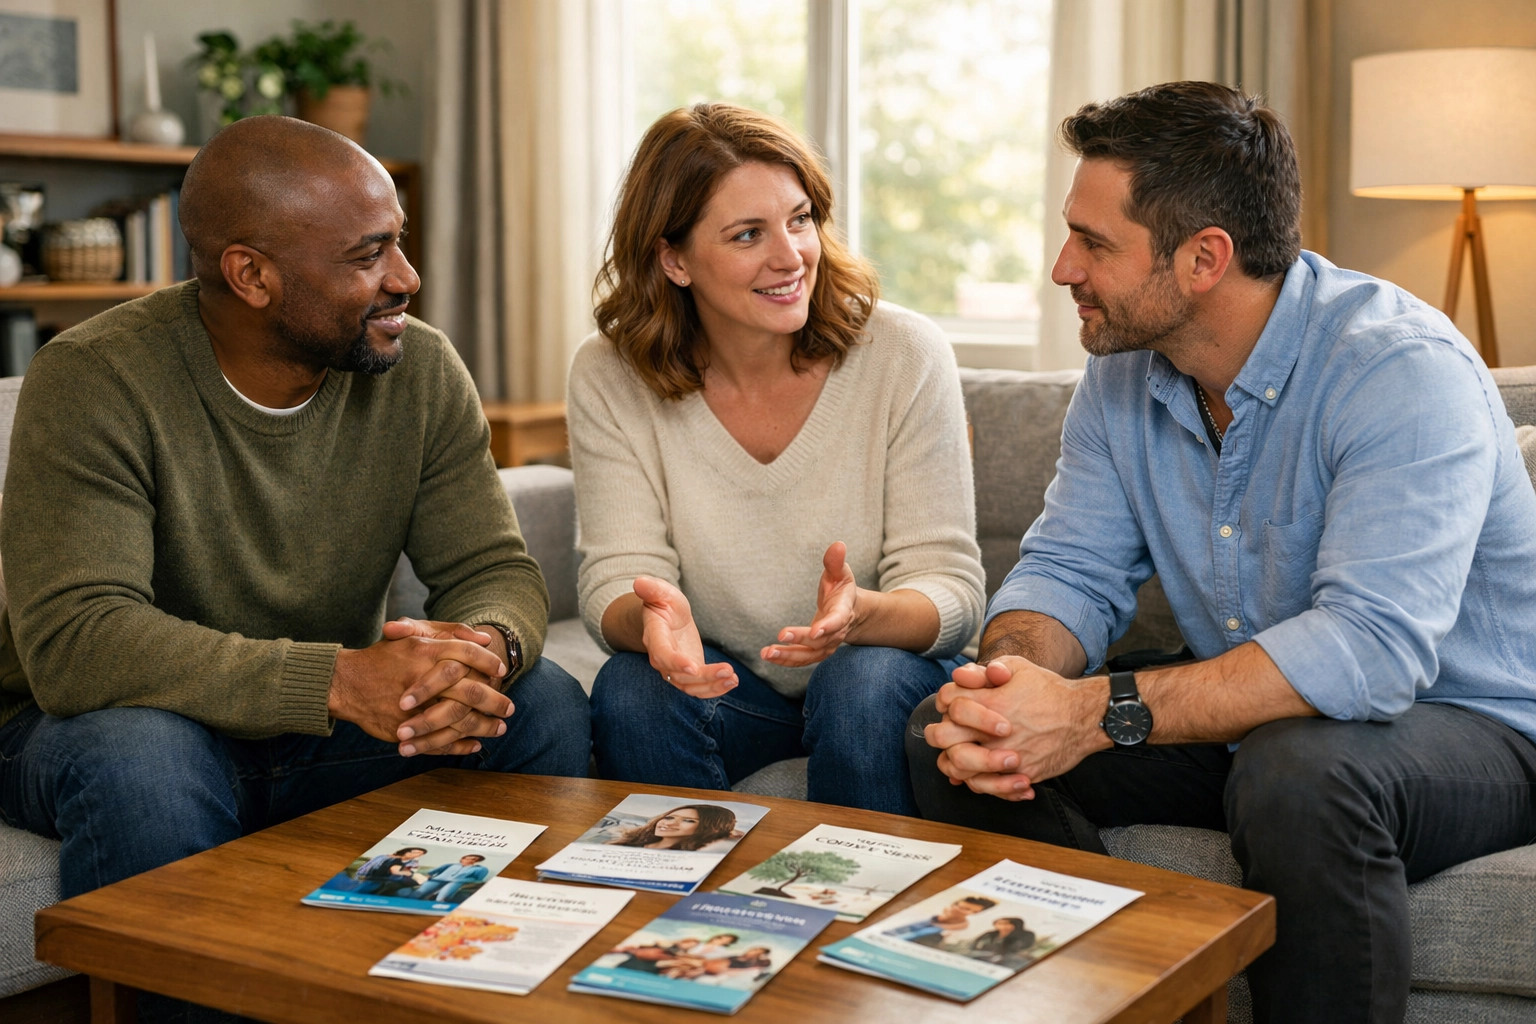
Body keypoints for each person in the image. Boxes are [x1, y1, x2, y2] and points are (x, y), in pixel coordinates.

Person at [907, 82, 1536, 1024]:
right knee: (948, 730)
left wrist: (1088, 712)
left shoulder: (1399, 369)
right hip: (1264, 716)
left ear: (1205, 258)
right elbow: (1071, 570)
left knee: (1301, 772)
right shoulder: (1122, 372)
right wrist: (1015, 685)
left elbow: (1370, 651)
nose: (1060, 267)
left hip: (1473, 725)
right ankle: (1109, 1001)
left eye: (1094, 242)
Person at [0, 116, 592, 911]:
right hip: (110, 729)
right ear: (251, 275)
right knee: (142, 756)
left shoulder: (420, 370)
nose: (408, 277)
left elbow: (492, 569)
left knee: (538, 699)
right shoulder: (94, 379)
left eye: (399, 242)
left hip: (311, 730)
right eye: (368, 254)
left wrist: (480, 647)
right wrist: (339, 682)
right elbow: (79, 642)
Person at [573, 103, 984, 814]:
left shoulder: (905, 355)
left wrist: (863, 615)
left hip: (880, 682)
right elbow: (615, 572)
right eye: (747, 235)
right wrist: (651, 624)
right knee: (630, 686)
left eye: (801, 220)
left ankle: (856, 908)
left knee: (858, 685)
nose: (791, 256)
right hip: (737, 692)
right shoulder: (610, 373)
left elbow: (950, 590)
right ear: (673, 259)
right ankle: (679, 918)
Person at [605, 804, 739, 851]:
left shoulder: (702, 852)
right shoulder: (628, 841)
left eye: (688, 821)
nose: (668, 823)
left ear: (709, 827)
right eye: (669, 817)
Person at [883, 896, 997, 948]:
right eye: (959, 906)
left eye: (969, 910)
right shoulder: (926, 913)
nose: (959, 910)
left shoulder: (962, 931)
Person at [400, 853, 490, 903]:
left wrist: (462, 881)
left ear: (478, 861)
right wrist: (427, 877)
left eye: (474, 859)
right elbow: (433, 872)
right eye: (467, 858)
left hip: (456, 883)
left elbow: (478, 879)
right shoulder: (450, 865)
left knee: (441, 898)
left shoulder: (480, 869)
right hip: (437, 880)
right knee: (417, 894)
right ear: (462, 859)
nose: (470, 860)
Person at [965, 917, 1036, 969]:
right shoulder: (989, 934)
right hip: (985, 955)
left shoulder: (1026, 934)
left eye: (1005, 923)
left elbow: (1019, 947)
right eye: (998, 923)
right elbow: (975, 943)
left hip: (1010, 957)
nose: (1001, 926)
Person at [353, 847, 427, 895]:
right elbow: (366, 867)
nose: (416, 855)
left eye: (420, 854)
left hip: (383, 880)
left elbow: (409, 872)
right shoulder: (384, 857)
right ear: (406, 851)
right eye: (415, 852)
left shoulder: (412, 863)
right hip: (372, 879)